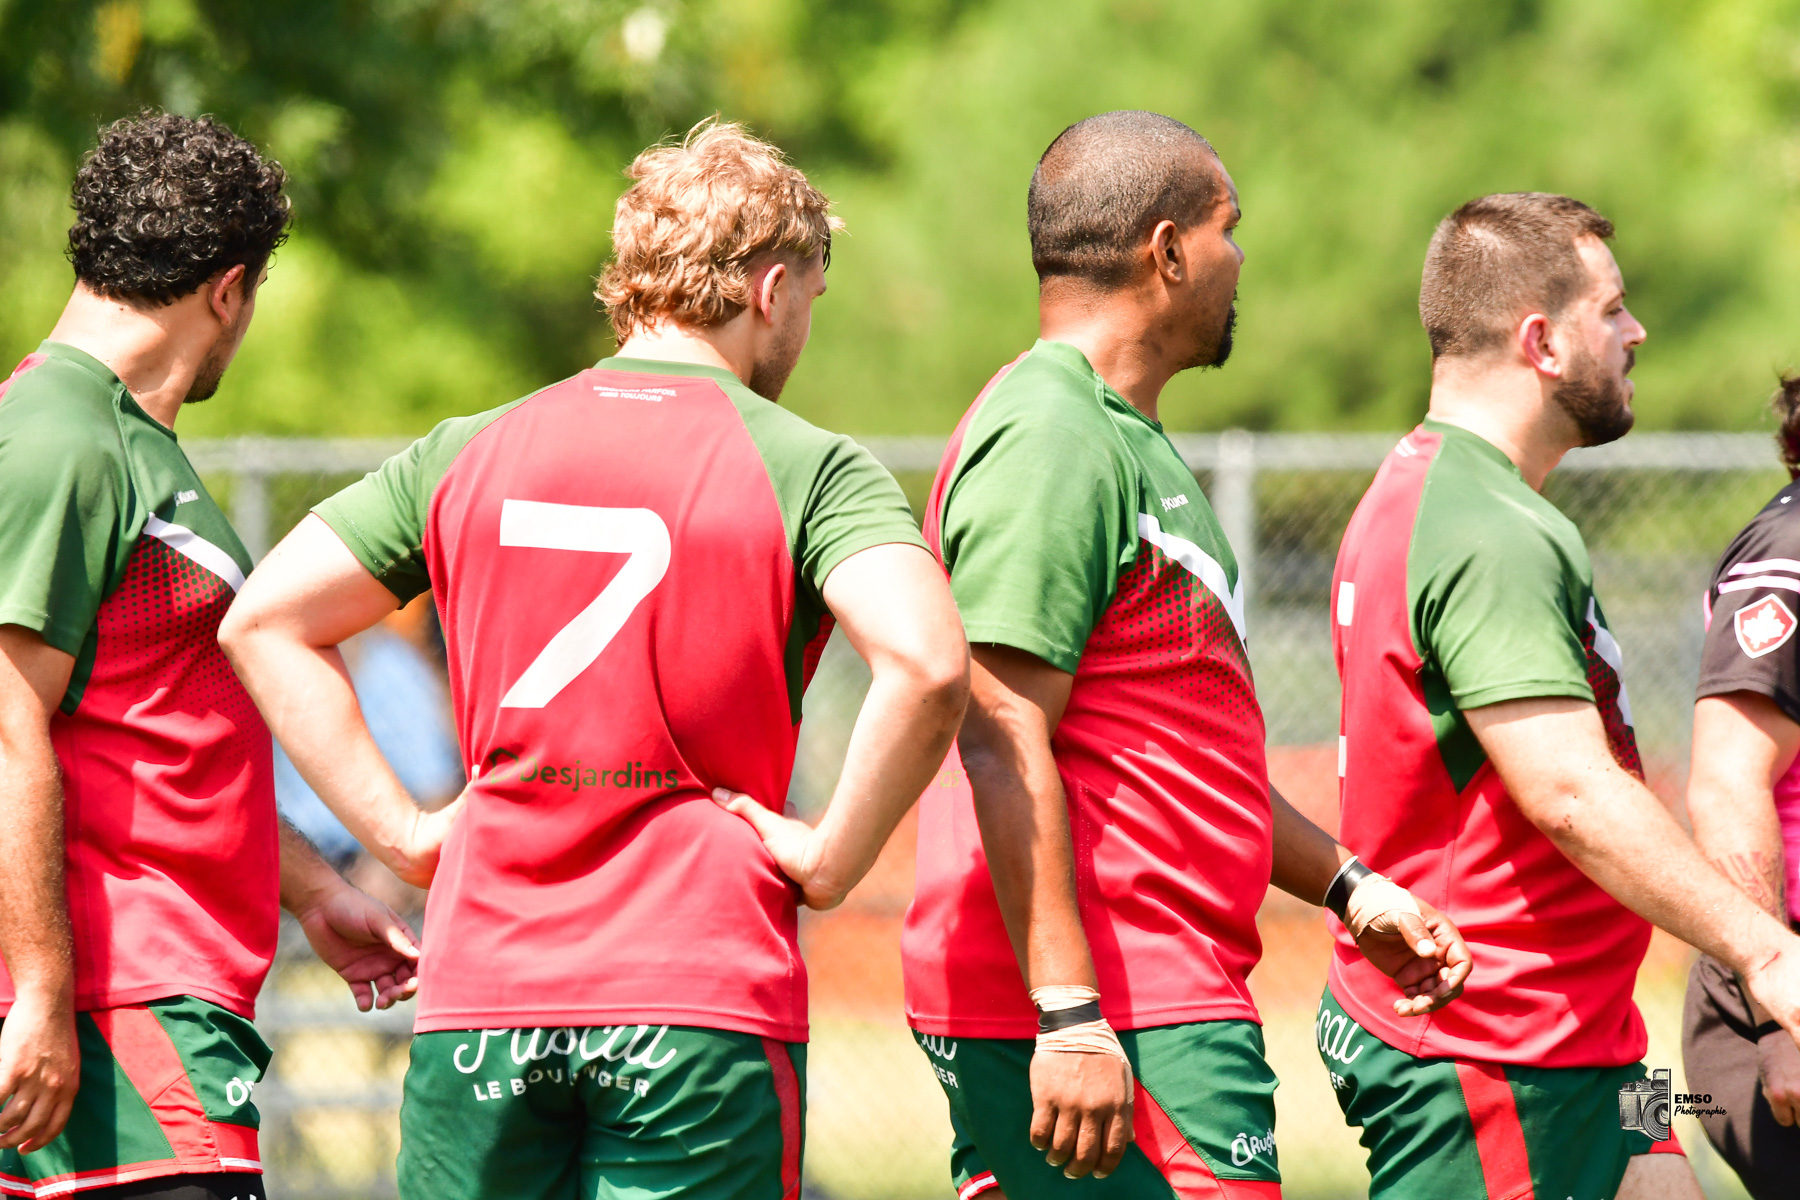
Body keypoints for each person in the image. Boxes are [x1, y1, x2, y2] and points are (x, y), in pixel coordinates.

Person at [219, 119, 970, 1200]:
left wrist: (410, 836)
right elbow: (930, 661)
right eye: (810, 292)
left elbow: (265, 620)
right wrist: (833, 857)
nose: (805, 323)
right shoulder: (808, 467)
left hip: (486, 986)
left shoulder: (473, 446)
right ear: (769, 288)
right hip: (696, 989)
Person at [900, 110, 1471, 1200]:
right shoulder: (1054, 435)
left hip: (1156, 990)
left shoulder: (1118, 436)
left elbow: (1178, 759)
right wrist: (1069, 1014)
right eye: (1228, 231)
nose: (1240, 259)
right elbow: (999, 723)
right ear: (1167, 253)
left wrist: (1350, 888)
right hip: (1122, 1004)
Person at [1323, 192, 1800, 1200]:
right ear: (1540, 341)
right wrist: (1767, 953)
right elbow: (1572, 795)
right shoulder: (1487, 526)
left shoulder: (1444, 491)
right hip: (1501, 1048)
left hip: (1595, 1049)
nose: (1636, 333)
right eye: (1613, 310)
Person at [0, 112, 423, 1200]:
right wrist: (41, 993)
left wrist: (313, 890)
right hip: (115, 1010)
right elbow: (7, 732)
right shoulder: (61, 441)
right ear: (229, 291)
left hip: (154, 997)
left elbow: (157, 725)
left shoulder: (124, 441)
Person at [1681, 375, 1800, 1198]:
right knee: (1632, 1126)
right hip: (1781, 985)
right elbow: (1727, 785)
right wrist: (1779, 1020)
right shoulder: (1788, 551)